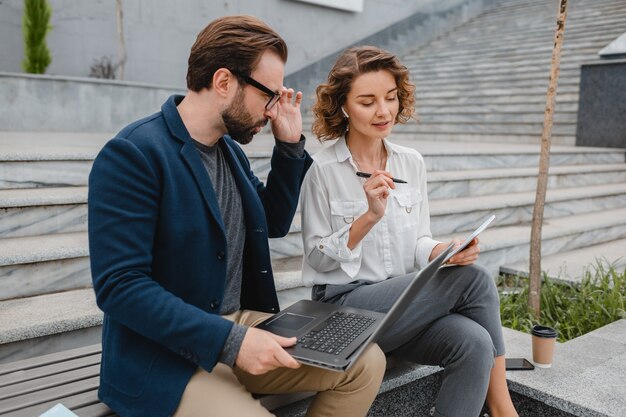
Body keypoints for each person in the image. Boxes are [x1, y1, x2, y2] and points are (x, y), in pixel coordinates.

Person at [88, 17, 385, 417]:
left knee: (367, 362)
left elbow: (273, 223)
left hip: (239, 325)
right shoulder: (133, 154)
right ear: (224, 82)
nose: (274, 107)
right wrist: (232, 340)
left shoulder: (229, 151)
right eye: (269, 94)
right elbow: (120, 287)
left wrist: (290, 145)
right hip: (163, 355)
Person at [300, 45, 519, 417]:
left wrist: (440, 250)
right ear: (343, 107)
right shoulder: (323, 170)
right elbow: (317, 259)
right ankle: (503, 410)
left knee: (476, 343)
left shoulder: (411, 162)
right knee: (476, 281)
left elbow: (418, 239)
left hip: (403, 307)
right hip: (344, 311)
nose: (383, 111)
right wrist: (368, 216)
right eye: (368, 101)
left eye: (390, 98)